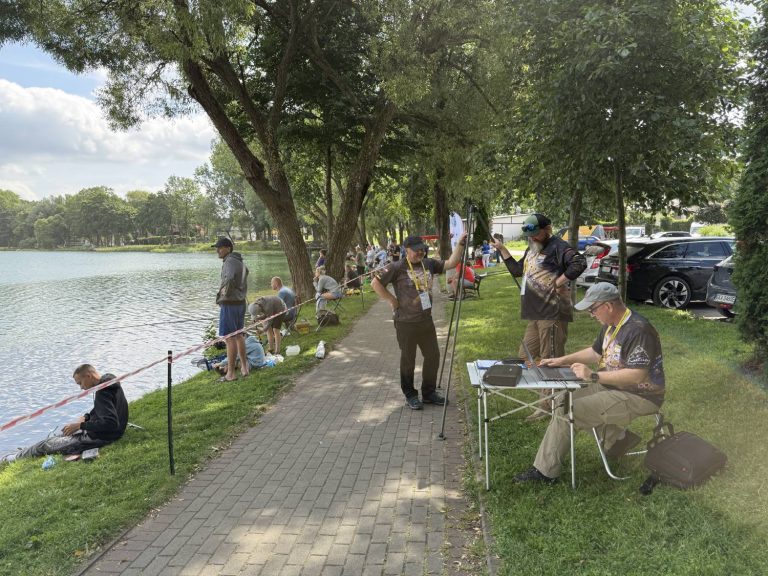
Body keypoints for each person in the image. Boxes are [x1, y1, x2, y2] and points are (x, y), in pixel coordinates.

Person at [513, 283, 666, 484]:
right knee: (560, 399)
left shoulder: (639, 330)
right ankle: (619, 439)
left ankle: (544, 473)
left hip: (639, 396)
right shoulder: (612, 325)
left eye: (593, 309)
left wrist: (593, 377)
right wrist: (561, 360)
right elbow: (595, 352)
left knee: (570, 411)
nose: (591, 314)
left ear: (608, 306)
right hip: (613, 387)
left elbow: (636, 376)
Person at [490, 214, 586, 420]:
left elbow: (579, 263)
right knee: (526, 356)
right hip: (535, 313)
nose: (533, 238)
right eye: (530, 235)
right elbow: (517, 271)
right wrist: (502, 249)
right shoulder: (533, 248)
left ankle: (552, 408)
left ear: (548, 228)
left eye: (536, 234)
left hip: (552, 312)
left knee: (550, 360)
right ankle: (551, 398)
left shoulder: (558, 246)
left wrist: (559, 282)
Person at [371, 233, 468, 410]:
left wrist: (461, 244)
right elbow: (375, 284)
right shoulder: (396, 267)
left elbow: (450, 263)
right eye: (416, 251)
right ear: (406, 250)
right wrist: (392, 301)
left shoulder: (429, 264)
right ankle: (410, 395)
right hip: (405, 322)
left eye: (422, 250)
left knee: (433, 356)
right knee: (408, 359)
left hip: (426, 321)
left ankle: (429, 393)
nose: (420, 253)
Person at [1, 364, 128, 462]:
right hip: (105, 433)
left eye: (80, 383)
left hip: (99, 438)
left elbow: (110, 423)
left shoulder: (102, 392)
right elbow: (103, 410)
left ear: (88, 376)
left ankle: (11, 458)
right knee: (62, 432)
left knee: (44, 446)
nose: (81, 388)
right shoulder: (109, 381)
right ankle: (25, 451)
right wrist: (86, 417)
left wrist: (80, 426)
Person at [213, 237, 250, 382]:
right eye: (217, 247)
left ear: (228, 248)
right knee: (239, 335)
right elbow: (246, 273)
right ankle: (244, 367)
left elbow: (228, 279)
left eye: (220, 247)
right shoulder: (240, 261)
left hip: (230, 303)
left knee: (229, 338)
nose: (217, 250)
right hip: (240, 302)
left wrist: (222, 296)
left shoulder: (229, 261)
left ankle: (231, 374)